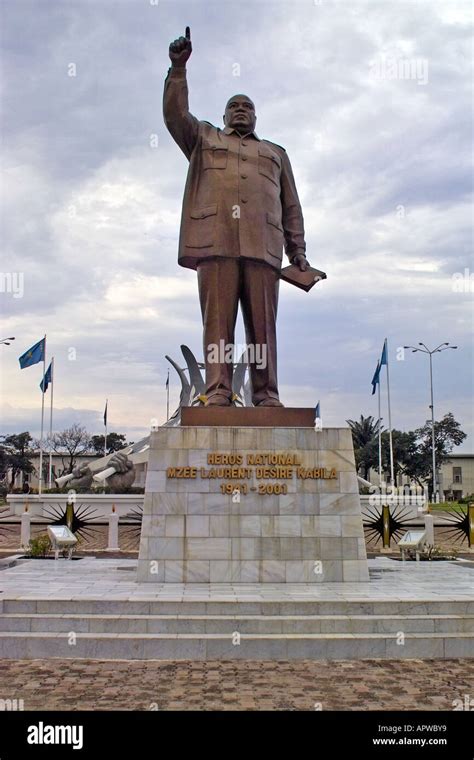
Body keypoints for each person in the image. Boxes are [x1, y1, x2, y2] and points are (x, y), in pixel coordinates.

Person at [164, 27, 310, 407]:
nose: (241, 109)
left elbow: (291, 206)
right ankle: (217, 392)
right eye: (235, 105)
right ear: (224, 114)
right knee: (217, 326)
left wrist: (299, 255)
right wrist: (178, 70)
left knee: (263, 329)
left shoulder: (276, 153)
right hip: (216, 242)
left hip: (263, 247)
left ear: (257, 116)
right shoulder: (204, 138)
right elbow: (175, 115)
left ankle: (267, 396)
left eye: (248, 106)